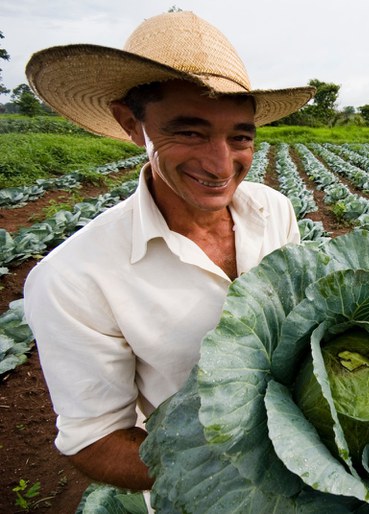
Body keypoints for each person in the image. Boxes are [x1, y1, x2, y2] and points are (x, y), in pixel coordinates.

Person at [22, 11, 315, 491]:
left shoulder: (275, 210)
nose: (220, 164)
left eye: (240, 137)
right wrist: (240, 476)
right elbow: (94, 440)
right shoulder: (73, 278)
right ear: (131, 124)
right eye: (189, 132)